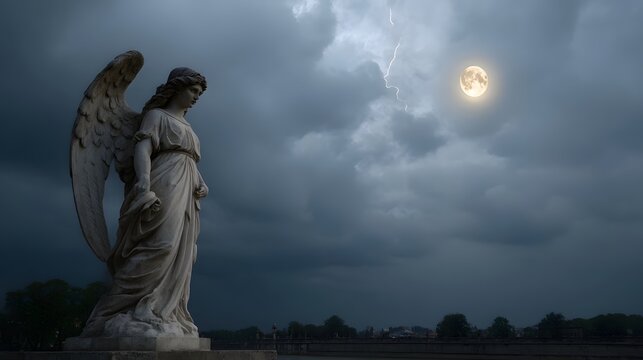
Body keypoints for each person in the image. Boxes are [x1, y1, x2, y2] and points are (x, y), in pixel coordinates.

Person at [81, 67, 209, 337]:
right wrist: (143, 180)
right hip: (164, 181)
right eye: (193, 91)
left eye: (199, 93)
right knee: (160, 245)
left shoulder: (188, 125)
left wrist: (199, 180)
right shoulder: (155, 116)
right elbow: (144, 147)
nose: (196, 97)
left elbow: (187, 157)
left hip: (186, 189)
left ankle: (162, 310)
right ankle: (113, 310)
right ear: (177, 88)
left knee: (182, 253)